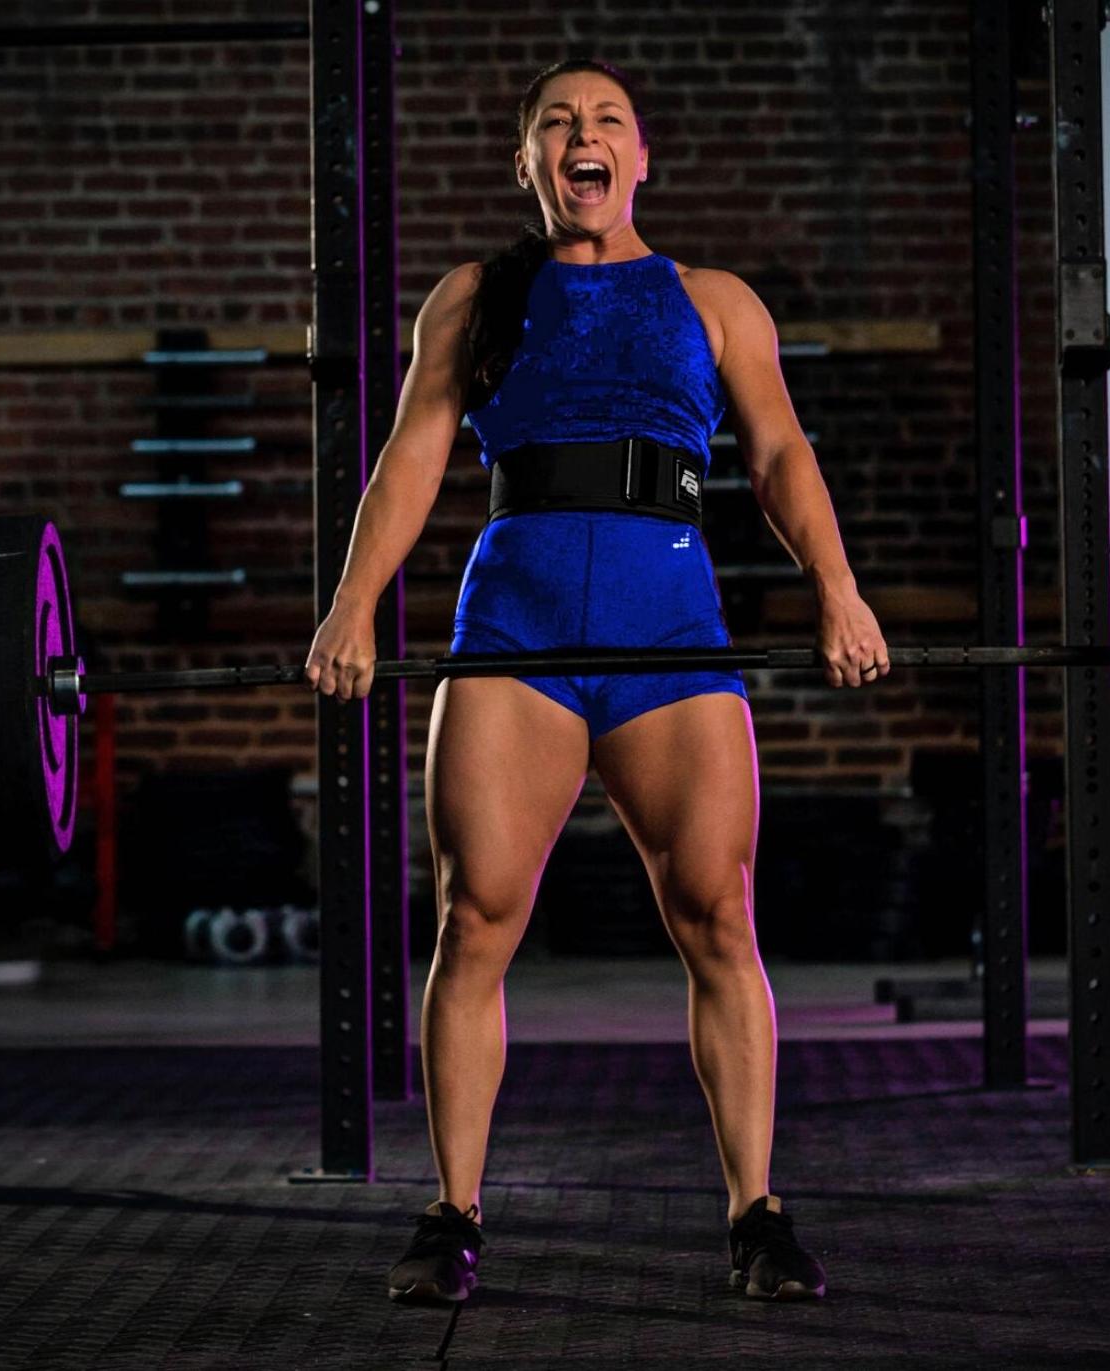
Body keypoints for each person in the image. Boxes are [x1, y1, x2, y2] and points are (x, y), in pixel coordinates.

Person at [305, 57, 890, 1305]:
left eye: (607, 120)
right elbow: (411, 459)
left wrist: (838, 588)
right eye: (557, 124)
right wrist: (354, 605)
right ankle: (453, 1211)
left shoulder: (712, 299)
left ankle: (756, 1214)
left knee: (716, 920)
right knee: (475, 920)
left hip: (669, 637)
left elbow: (780, 452)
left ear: (641, 159)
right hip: (512, 633)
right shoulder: (473, 297)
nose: (584, 136)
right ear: (528, 165)